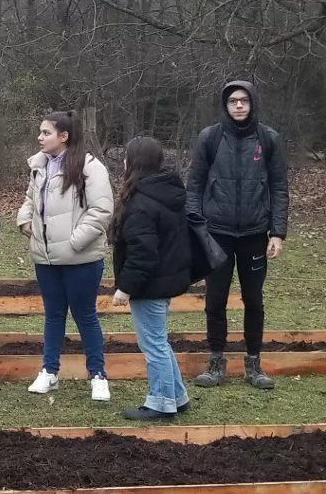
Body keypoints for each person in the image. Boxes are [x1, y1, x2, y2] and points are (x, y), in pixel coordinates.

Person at [187, 80, 289, 390]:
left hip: (255, 234)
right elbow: (195, 186)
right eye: (233, 101)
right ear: (226, 105)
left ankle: (254, 364)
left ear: (253, 103)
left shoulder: (268, 139)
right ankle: (216, 362)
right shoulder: (210, 137)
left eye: (244, 100)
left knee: (253, 301)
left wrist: (278, 232)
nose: (239, 106)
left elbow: (279, 187)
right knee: (215, 300)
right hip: (216, 234)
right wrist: (196, 228)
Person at [16, 110, 114, 401]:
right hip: (46, 259)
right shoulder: (39, 165)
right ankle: (49, 372)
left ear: (64, 136)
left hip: (81, 259)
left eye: (46, 132)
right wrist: (24, 222)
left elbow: (101, 210)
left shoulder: (90, 167)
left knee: (85, 316)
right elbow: (30, 200)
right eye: (40, 132)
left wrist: (75, 242)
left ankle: (98, 375)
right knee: (53, 316)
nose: (40, 137)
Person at [109, 137, 192, 420]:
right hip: (163, 281)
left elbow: (143, 254)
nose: (122, 162)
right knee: (159, 340)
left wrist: (125, 288)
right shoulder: (164, 193)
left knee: (153, 344)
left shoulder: (141, 203)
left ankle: (161, 401)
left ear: (135, 163)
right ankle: (177, 396)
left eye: (126, 157)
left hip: (150, 285)